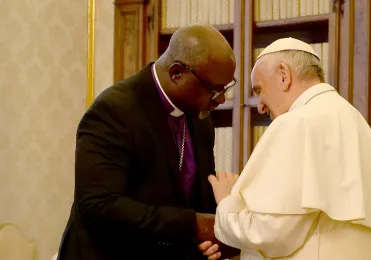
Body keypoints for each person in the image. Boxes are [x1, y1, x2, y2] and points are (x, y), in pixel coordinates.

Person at [201, 37, 371, 260]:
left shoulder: (295, 122)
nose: (260, 105)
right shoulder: (351, 116)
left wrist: (227, 203)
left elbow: (270, 233)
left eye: (259, 89)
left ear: (283, 75)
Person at [56, 24, 240, 260]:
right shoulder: (114, 110)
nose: (221, 99)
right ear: (176, 73)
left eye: (225, 88)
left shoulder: (201, 120)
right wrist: (193, 225)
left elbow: (195, 197)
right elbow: (98, 204)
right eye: (213, 90)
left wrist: (214, 235)